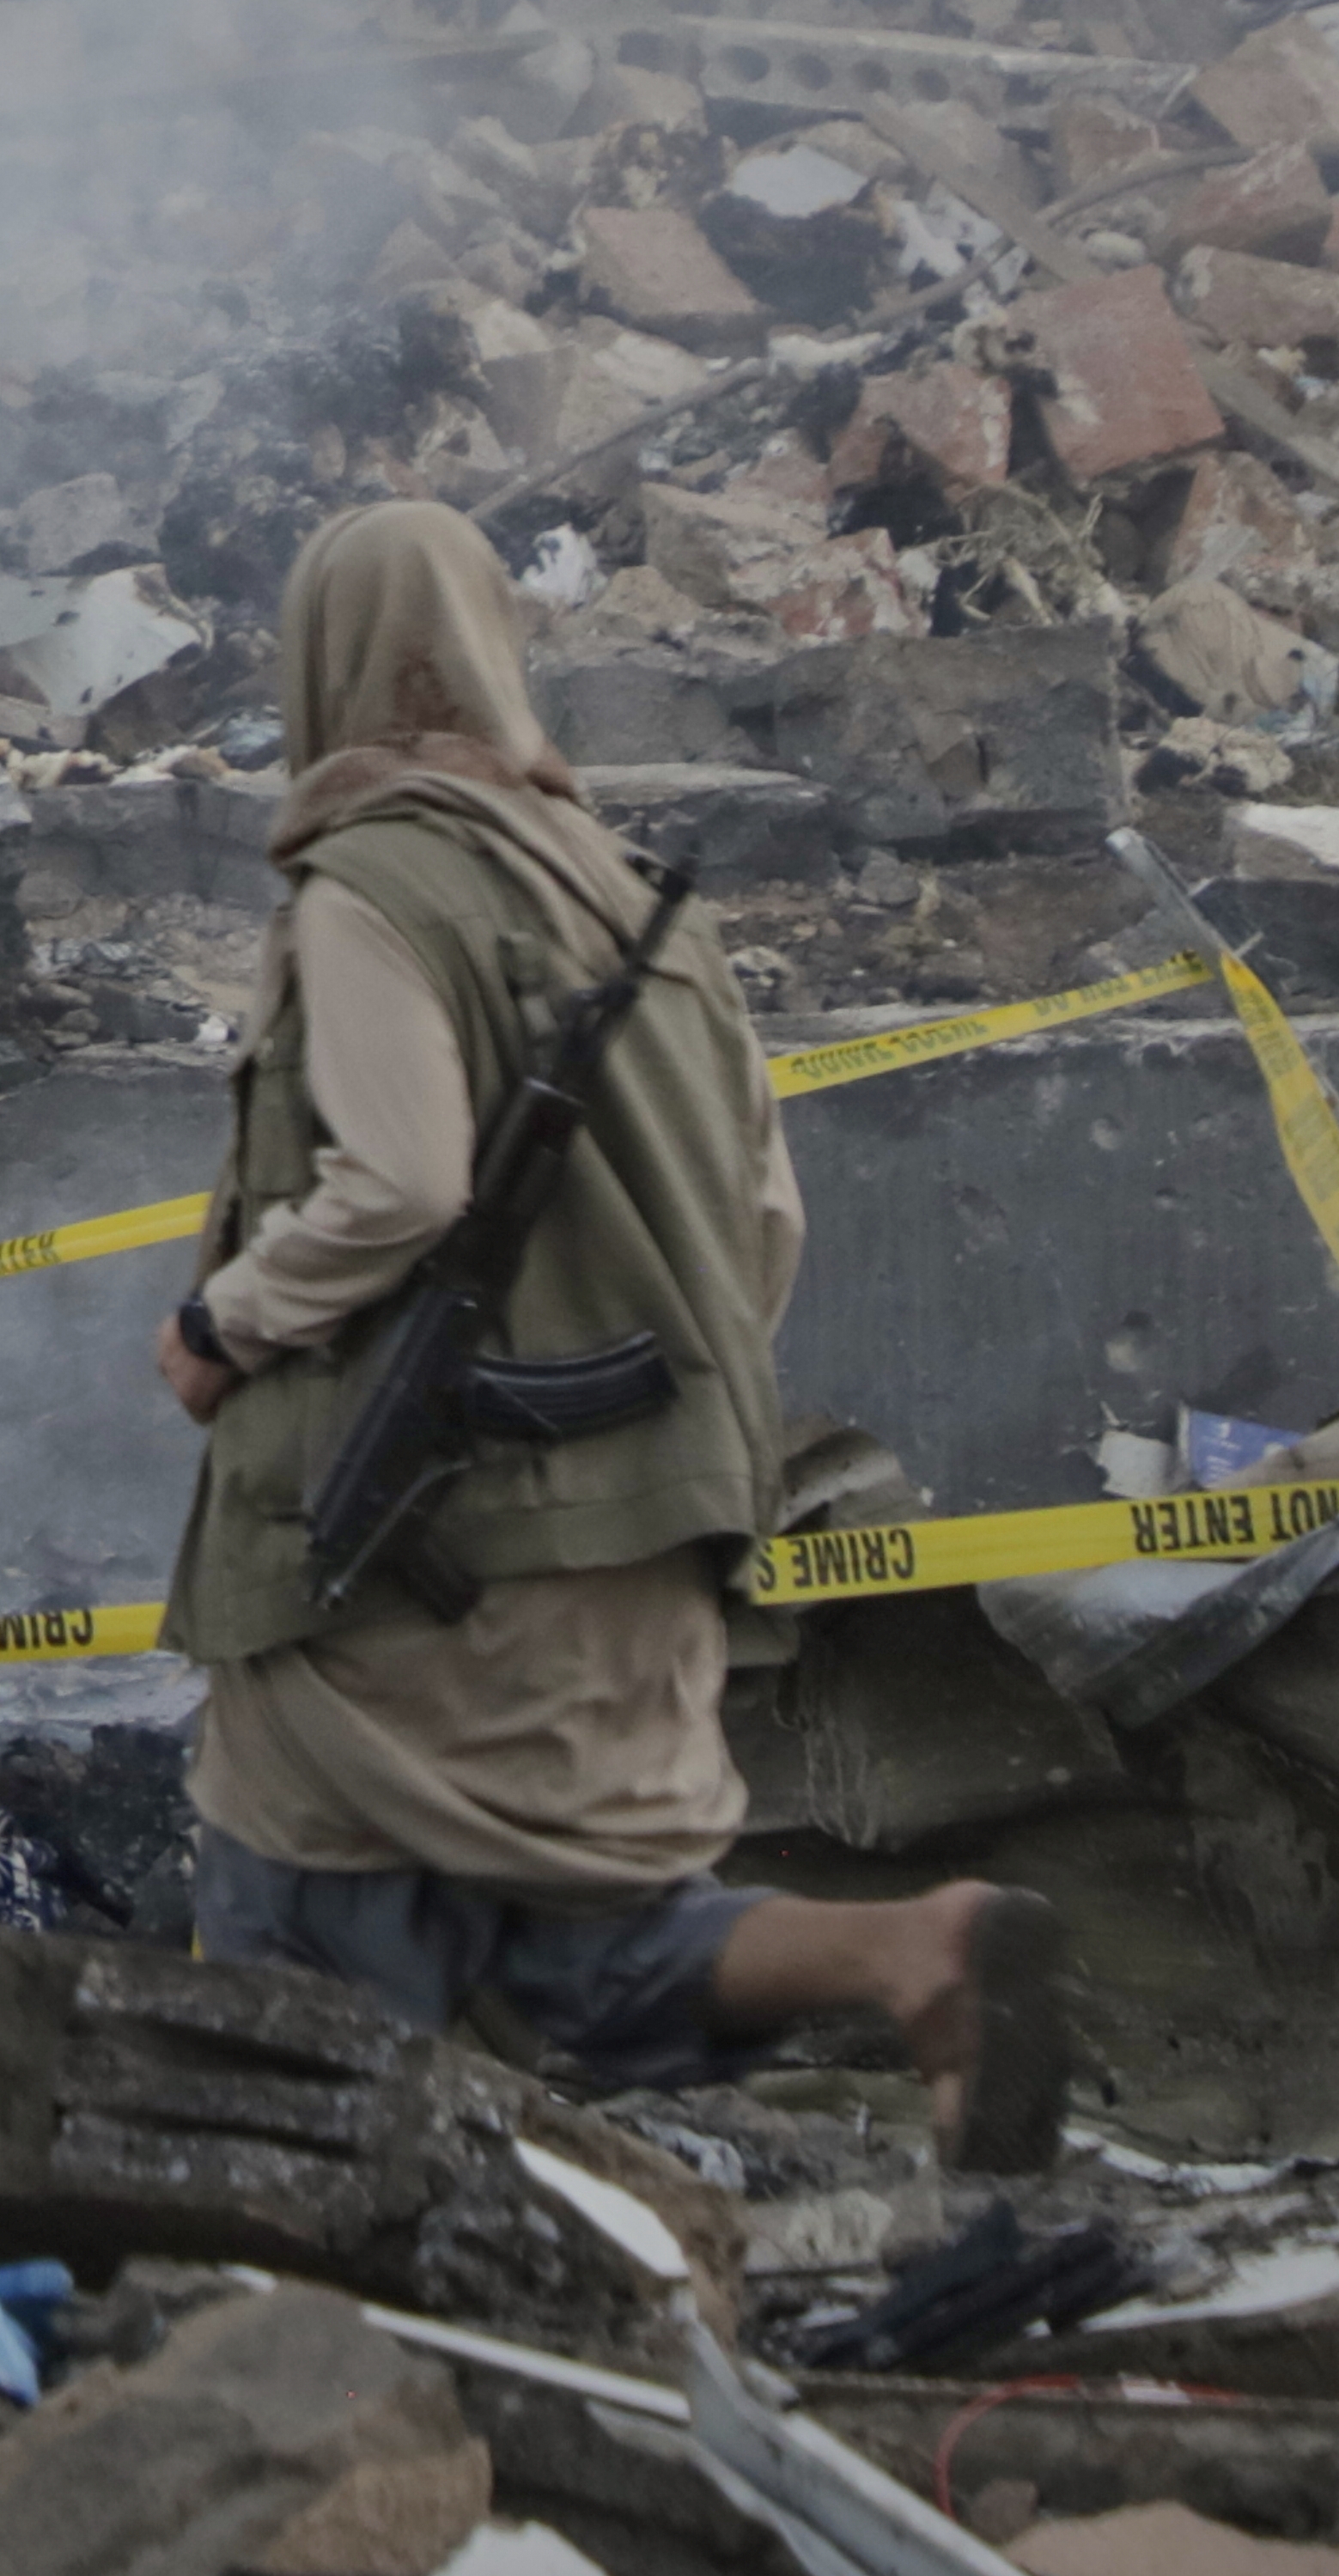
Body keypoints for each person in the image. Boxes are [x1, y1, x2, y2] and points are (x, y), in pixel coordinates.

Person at [149, 501, 1073, 2167]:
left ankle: (296, 2290)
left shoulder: (370, 887)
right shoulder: (639, 896)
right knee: (599, 1947)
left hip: (410, 1557)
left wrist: (227, 1313)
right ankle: (906, 1946)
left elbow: (405, 1180)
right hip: (644, 1539)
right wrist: (634, 1431)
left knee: (290, 1891)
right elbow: (765, 1220)